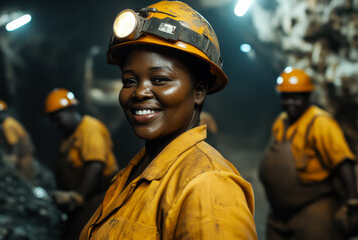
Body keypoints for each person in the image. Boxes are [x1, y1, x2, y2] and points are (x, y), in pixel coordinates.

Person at [79, 1, 257, 239]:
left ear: (199, 91)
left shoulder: (207, 185)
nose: (139, 92)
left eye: (160, 79)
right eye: (129, 81)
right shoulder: (136, 172)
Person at [259, 67, 358, 239]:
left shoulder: (320, 123)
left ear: (307, 97)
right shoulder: (281, 122)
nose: (290, 103)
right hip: (279, 213)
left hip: (313, 208)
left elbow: (343, 162)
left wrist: (352, 203)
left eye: (296, 98)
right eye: (286, 97)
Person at [44, 88, 118, 240]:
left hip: (99, 196)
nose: (56, 125)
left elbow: (95, 165)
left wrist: (77, 196)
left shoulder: (90, 127)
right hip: (84, 200)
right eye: (53, 121)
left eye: (58, 119)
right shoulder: (69, 136)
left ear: (70, 110)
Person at [0, 98, 34, 179]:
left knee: (26, 178)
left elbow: (15, 143)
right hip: (24, 155)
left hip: (23, 157)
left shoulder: (7, 125)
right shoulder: (10, 121)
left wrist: (13, 156)